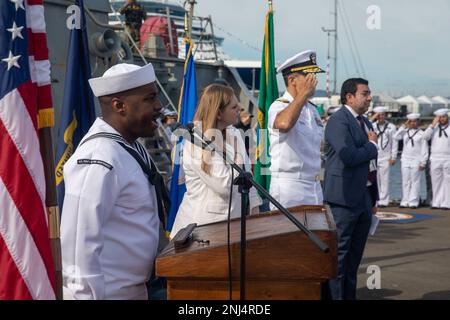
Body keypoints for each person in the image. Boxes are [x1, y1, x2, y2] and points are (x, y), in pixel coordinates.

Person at [61, 63, 166, 300]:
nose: (159, 107)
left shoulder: (129, 146)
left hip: (138, 290)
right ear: (119, 106)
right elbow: (79, 245)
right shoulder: (98, 156)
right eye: (150, 99)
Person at [170, 84, 262, 238]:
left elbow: (247, 178)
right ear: (219, 113)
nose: (239, 108)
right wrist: (238, 153)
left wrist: (254, 212)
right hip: (201, 230)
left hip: (232, 226)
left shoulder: (234, 133)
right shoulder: (196, 140)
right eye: (234, 107)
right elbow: (225, 186)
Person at [324, 78, 379, 300]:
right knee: (339, 258)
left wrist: (374, 198)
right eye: (365, 93)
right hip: (343, 200)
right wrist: (372, 145)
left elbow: (373, 165)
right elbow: (348, 156)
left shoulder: (365, 122)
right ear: (349, 96)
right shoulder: (338, 121)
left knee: (354, 259)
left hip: (364, 198)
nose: (369, 98)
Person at [268, 50, 325, 209]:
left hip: (314, 185)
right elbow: (284, 124)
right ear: (292, 79)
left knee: (315, 234)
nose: (314, 81)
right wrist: (303, 95)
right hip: (290, 187)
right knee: (289, 233)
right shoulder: (279, 106)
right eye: (309, 76)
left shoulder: (312, 109)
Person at [393, 113, 429, 208]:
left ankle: (413, 201)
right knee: (405, 181)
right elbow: (395, 137)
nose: (413, 123)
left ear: (418, 122)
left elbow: (424, 149)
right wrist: (404, 125)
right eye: (411, 121)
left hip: (416, 159)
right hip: (405, 159)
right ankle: (405, 201)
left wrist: (423, 162)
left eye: (414, 121)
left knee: (415, 181)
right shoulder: (405, 132)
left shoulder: (422, 134)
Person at [370, 106, 398, 207]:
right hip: (375, 156)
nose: (380, 117)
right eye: (378, 115)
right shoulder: (372, 125)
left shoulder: (391, 127)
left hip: (386, 156)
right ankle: (376, 200)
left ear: (385, 115)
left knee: (385, 179)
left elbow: (394, 142)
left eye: (382, 115)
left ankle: (384, 200)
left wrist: (393, 157)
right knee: (374, 179)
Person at [423, 108, 450, 209]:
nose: (442, 119)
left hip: (448, 157)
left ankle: (447, 203)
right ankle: (436, 202)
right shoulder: (433, 128)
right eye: (440, 117)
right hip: (435, 158)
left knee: (448, 181)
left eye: (444, 117)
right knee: (435, 181)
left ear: (447, 117)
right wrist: (432, 125)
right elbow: (425, 137)